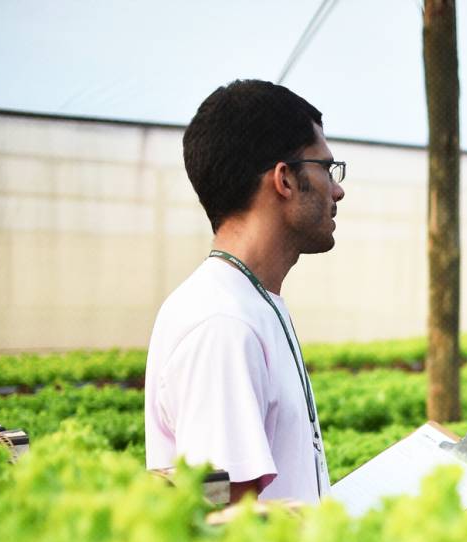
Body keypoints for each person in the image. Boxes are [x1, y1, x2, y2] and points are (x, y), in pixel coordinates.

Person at [145, 79, 346, 504]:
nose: (338, 189)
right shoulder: (223, 325)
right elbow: (231, 524)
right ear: (285, 179)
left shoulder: (251, 300)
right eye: (327, 169)